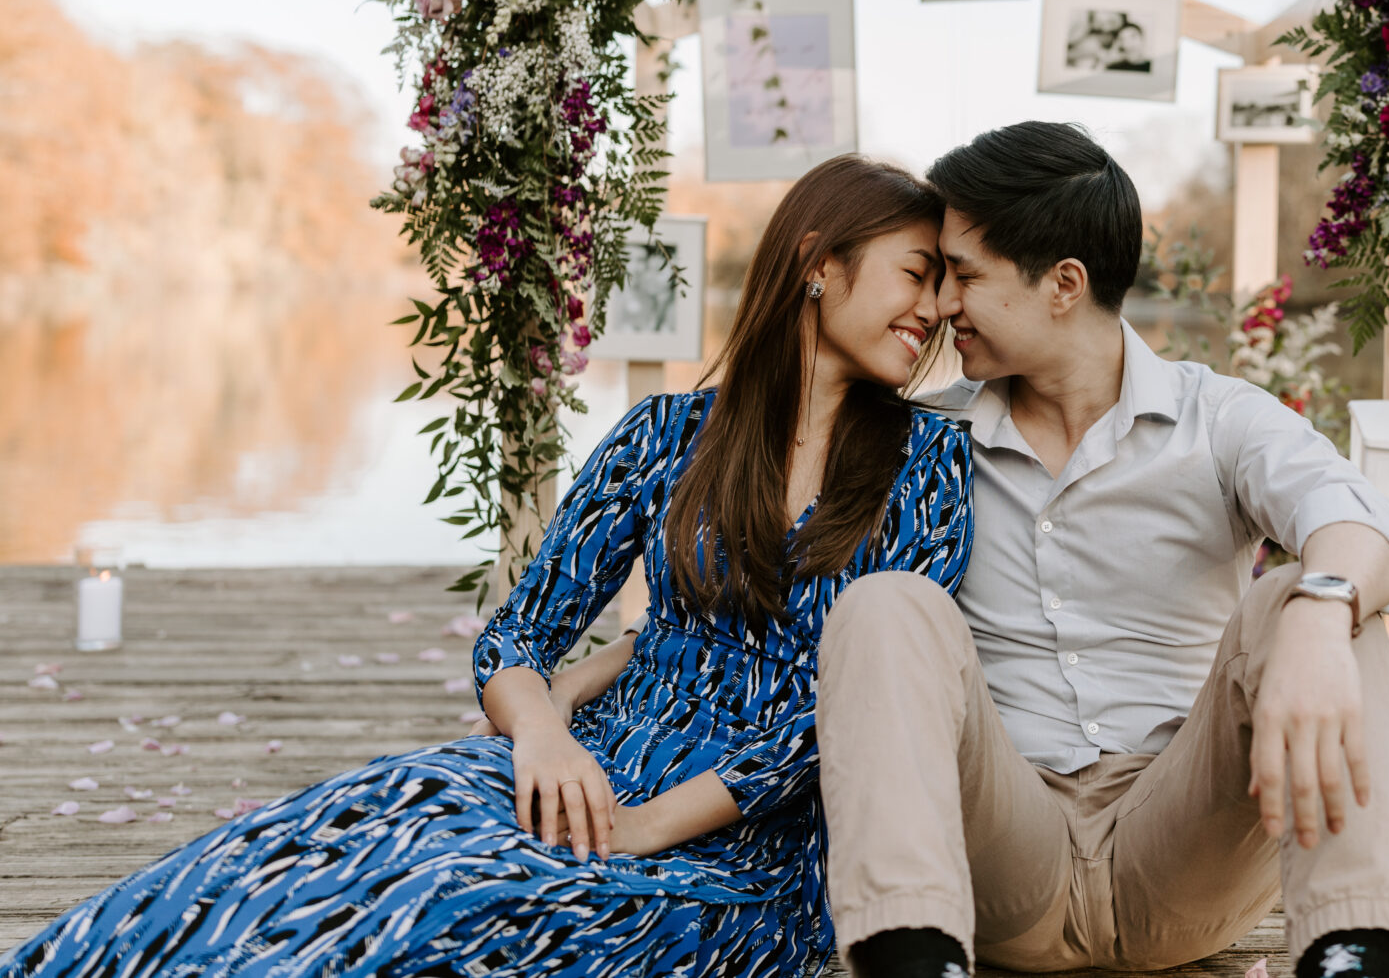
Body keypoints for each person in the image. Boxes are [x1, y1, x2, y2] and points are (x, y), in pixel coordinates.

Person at [0, 154, 974, 978]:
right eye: (915, 274)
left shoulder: (929, 464)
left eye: (943, 286)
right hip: (592, 756)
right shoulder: (666, 435)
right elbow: (520, 630)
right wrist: (544, 733)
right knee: (329, 834)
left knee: (463, 903)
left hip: (743, 839)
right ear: (816, 263)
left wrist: (640, 829)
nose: (933, 309)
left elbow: (825, 724)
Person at [816, 122, 1389, 978]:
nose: (942, 303)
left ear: (1064, 283)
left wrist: (1321, 615)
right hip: (1003, 854)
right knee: (885, 602)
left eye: (966, 273)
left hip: (1183, 853)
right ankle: (912, 962)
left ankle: (1353, 957)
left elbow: (1363, 524)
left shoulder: (1215, 417)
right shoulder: (927, 438)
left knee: (1314, 592)